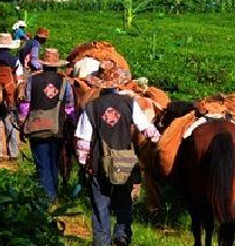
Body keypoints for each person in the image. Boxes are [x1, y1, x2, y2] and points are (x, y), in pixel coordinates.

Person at [75, 69, 161, 246]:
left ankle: (101, 240)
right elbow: (146, 129)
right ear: (118, 84)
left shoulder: (91, 106)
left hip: (99, 162)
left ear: (99, 84)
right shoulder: (129, 103)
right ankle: (122, 234)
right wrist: (156, 139)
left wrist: (84, 163)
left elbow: (83, 141)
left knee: (100, 203)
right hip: (125, 161)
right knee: (124, 199)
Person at [19, 48, 74, 202]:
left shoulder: (32, 79)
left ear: (43, 64)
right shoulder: (64, 82)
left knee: (42, 163)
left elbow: (26, 104)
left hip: (37, 126)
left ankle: (47, 197)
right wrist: (69, 124)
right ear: (57, 65)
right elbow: (70, 106)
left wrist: (22, 122)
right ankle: (53, 193)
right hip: (57, 127)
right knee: (53, 162)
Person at [0, 33, 22, 161]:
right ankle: (13, 153)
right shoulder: (15, 61)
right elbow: (19, 80)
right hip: (8, 96)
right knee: (10, 123)